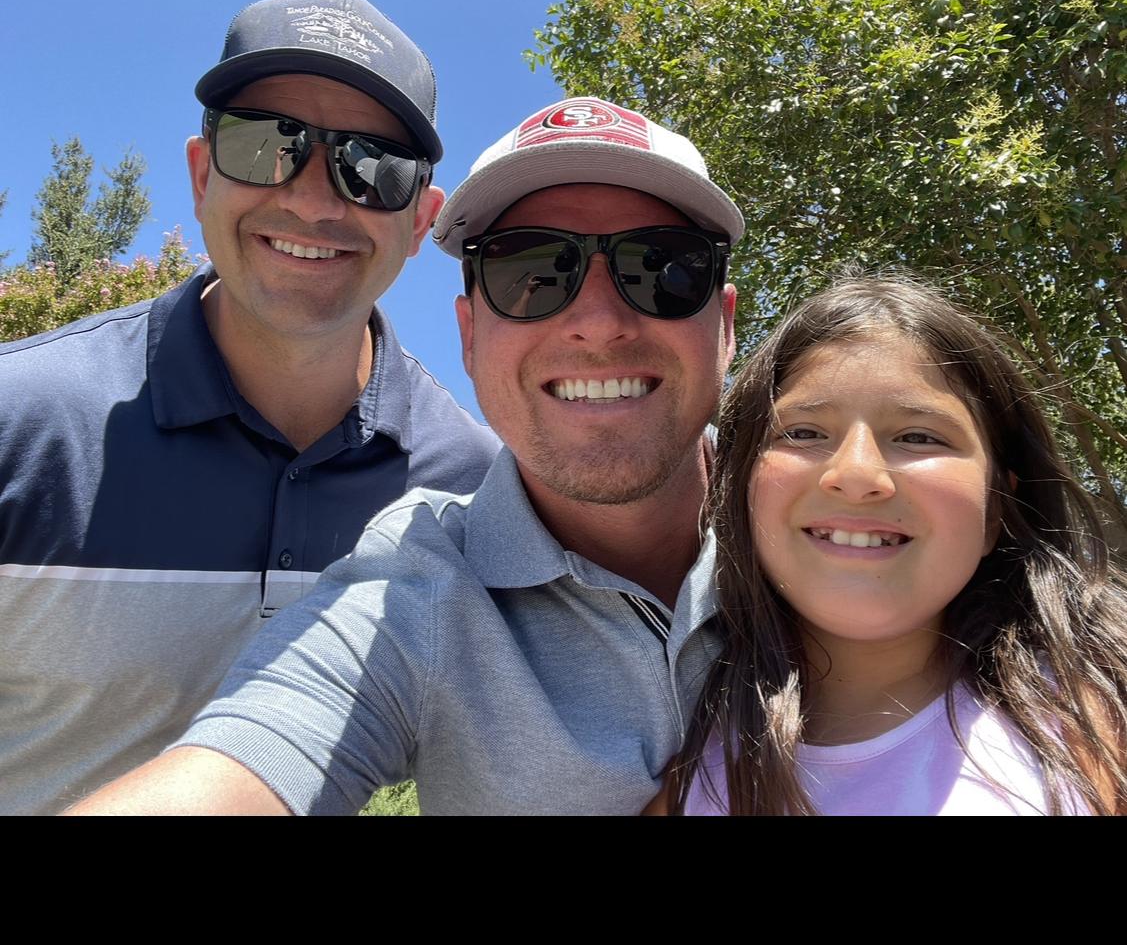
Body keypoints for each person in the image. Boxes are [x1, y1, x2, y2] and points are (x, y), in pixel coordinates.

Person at [66, 95, 745, 815]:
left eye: (662, 269)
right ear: (470, 338)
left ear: (726, 325)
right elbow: (256, 749)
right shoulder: (412, 594)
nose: (599, 322)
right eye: (531, 274)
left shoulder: (818, 510)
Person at [0, 0, 499, 815]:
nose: (312, 199)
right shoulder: (18, 420)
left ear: (421, 221)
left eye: (373, 166)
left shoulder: (471, 491)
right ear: (202, 174)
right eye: (266, 142)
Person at [667, 271, 1127, 816]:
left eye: (918, 437)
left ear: (996, 510)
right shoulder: (685, 769)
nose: (857, 474)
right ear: (739, 489)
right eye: (804, 433)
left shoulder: (1102, 720)